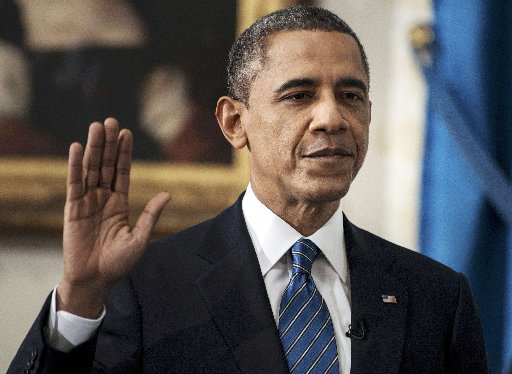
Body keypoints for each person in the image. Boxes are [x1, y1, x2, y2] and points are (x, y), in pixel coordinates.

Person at [9, 6, 489, 373]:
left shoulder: (437, 298)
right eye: (299, 95)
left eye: (351, 95)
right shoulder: (144, 288)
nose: (331, 118)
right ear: (234, 122)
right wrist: (79, 301)